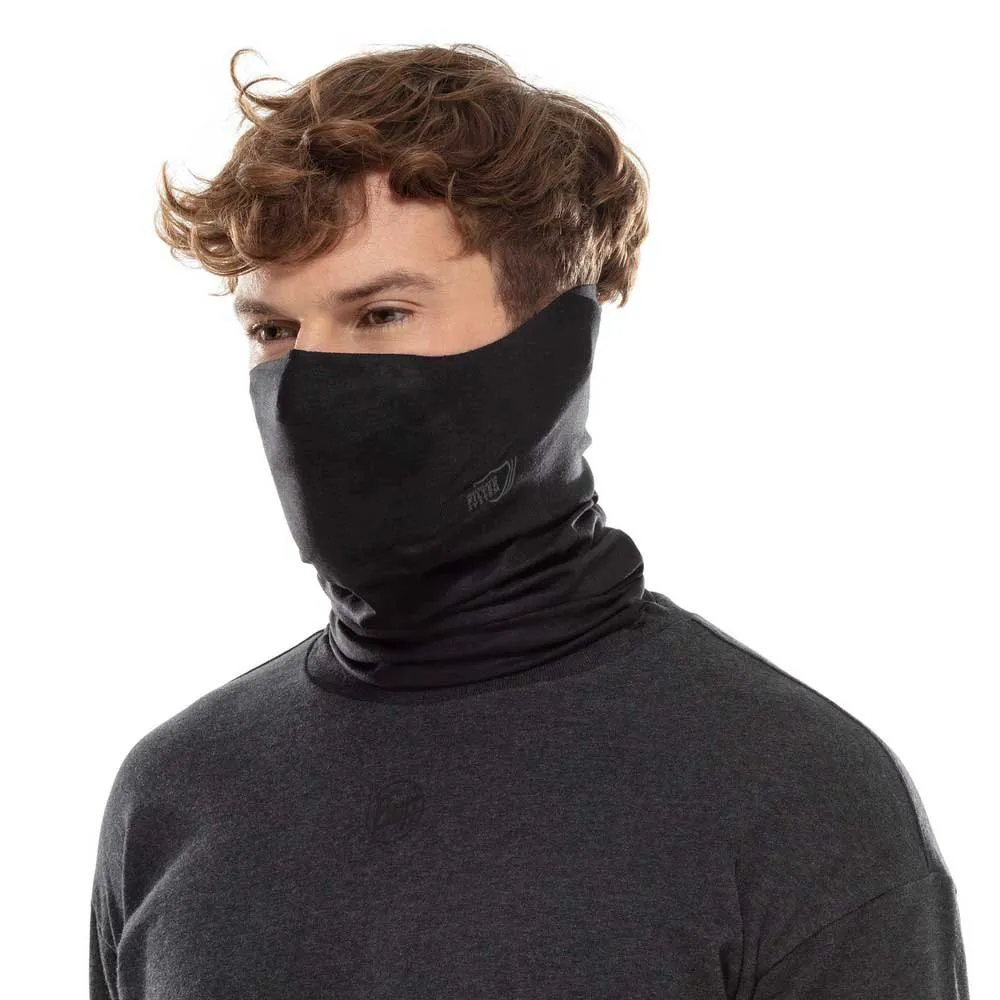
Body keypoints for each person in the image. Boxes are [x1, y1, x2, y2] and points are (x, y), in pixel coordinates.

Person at [90, 43, 970, 999]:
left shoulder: (794, 799)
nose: (308, 382)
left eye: (381, 314)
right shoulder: (176, 795)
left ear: (554, 343)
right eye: (273, 330)